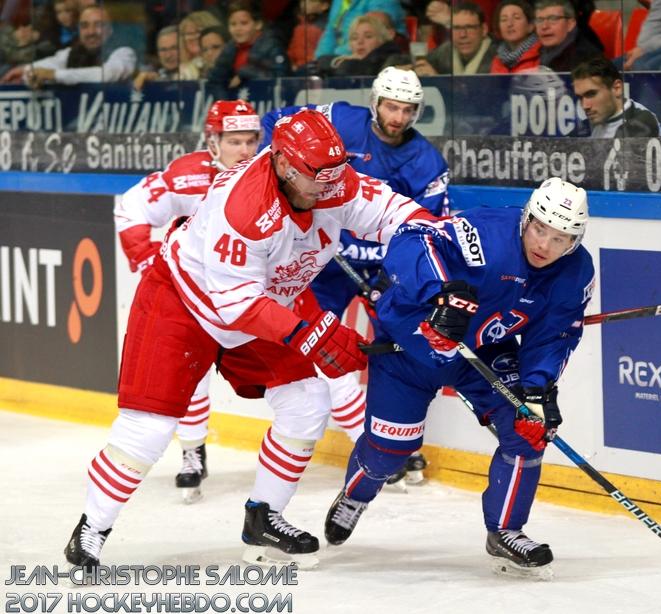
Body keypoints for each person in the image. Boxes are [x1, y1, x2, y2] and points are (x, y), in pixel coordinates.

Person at [63, 108, 436, 571]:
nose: (333, 183)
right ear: (283, 163)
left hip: (267, 299)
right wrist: (312, 335)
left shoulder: (328, 178)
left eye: (338, 171)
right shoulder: (243, 207)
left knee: (307, 401)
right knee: (149, 428)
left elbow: (396, 213)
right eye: (320, 174)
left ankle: (264, 517)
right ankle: (92, 529)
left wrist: (439, 252)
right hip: (183, 301)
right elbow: (236, 305)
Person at [322, 177, 593, 579]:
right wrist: (440, 293)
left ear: (575, 241)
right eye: (540, 229)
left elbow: (555, 335)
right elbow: (413, 238)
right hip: (412, 345)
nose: (544, 246)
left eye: (560, 239)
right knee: (389, 453)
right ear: (526, 218)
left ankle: (506, 529)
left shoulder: (575, 272)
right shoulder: (487, 234)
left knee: (527, 427)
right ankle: (356, 494)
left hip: (481, 353)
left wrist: (537, 386)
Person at [260, 66, 449, 487]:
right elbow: (276, 121)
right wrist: (270, 174)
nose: (398, 116)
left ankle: (399, 442)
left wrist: (393, 273)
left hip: (386, 270)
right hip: (328, 263)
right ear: (375, 102)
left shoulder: (427, 162)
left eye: (407, 109)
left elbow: (427, 230)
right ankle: (302, 431)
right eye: (391, 106)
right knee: (308, 339)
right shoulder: (341, 120)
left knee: (403, 353)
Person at [114, 100, 261, 503]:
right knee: (189, 374)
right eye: (234, 141)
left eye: (252, 140)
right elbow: (130, 207)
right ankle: (192, 451)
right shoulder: (187, 175)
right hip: (194, 301)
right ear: (212, 142)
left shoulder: (272, 176)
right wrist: (150, 264)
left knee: (302, 380)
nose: (245, 151)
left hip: (250, 299)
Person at [0, 5, 136, 87]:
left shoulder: (124, 53)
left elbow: (107, 75)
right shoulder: (71, 53)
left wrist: (54, 75)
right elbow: (50, 64)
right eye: (84, 26)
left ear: (110, 30)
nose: (91, 32)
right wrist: (28, 71)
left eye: (98, 25)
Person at [571, 56, 661, 138]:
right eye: (580, 98)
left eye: (591, 94)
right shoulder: (592, 123)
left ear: (617, 88)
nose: (585, 106)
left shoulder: (642, 121)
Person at [206, 2, 289, 92]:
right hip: (239, 105)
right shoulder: (229, 49)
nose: (238, 29)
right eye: (233, 24)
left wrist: (245, 73)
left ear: (258, 24)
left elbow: (282, 78)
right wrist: (226, 103)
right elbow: (215, 80)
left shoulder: (272, 46)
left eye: (244, 23)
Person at [413, 1, 497, 76]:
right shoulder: (446, 50)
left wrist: (437, 80)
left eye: (469, 27)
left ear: (484, 29)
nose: (463, 34)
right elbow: (416, 61)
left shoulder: (500, 55)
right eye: (456, 28)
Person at [317, 13, 401, 77]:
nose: (360, 42)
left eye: (368, 36)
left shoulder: (393, 60)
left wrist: (347, 63)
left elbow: (354, 70)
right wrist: (337, 61)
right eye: (354, 38)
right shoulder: (351, 59)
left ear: (382, 39)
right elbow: (319, 62)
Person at [314, 0, 404, 58]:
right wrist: (320, 58)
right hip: (343, 56)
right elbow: (330, 32)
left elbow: (376, 35)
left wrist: (336, 58)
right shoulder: (338, 2)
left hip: (373, 60)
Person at [534, 0, 602, 73]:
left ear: (570, 24)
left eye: (553, 19)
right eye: (539, 20)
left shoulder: (587, 60)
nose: (544, 26)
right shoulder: (534, 52)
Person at [490, 0, 541, 73]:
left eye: (516, 18)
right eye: (504, 20)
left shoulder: (541, 55)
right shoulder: (497, 61)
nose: (509, 24)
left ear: (530, 25)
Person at [178, 11, 224, 80]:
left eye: (198, 32)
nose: (194, 37)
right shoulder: (181, 71)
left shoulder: (224, 63)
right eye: (189, 33)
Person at [132, 25, 180, 90]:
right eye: (163, 50)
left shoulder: (196, 73)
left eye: (174, 48)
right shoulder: (154, 78)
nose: (168, 55)